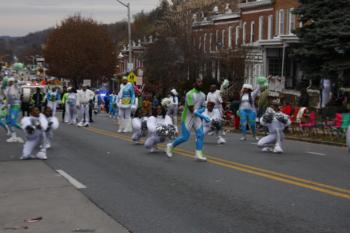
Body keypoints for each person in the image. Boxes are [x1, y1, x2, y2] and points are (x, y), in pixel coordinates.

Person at [166, 78, 209, 161]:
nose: (200, 83)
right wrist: (204, 117)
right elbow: (192, 110)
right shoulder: (189, 94)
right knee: (185, 137)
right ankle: (170, 145)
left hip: (196, 117)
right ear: (194, 84)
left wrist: (200, 112)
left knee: (200, 135)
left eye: (201, 82)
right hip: (187, 117)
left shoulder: (203, 95)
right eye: (198, 82)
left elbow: (203, 107)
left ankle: (198, 154)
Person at [4, 77, 23, 143]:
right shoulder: (6, 89)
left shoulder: (15, 86)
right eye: (9, 81)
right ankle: (14, 137)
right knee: (8, 122)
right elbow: (7, 99)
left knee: (12, 121)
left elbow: (19, 83)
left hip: (16, 106)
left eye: (11, 81)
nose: (10, 82)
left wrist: (15, 80)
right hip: (10, 107)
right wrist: (5, 106)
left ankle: (26, 128)